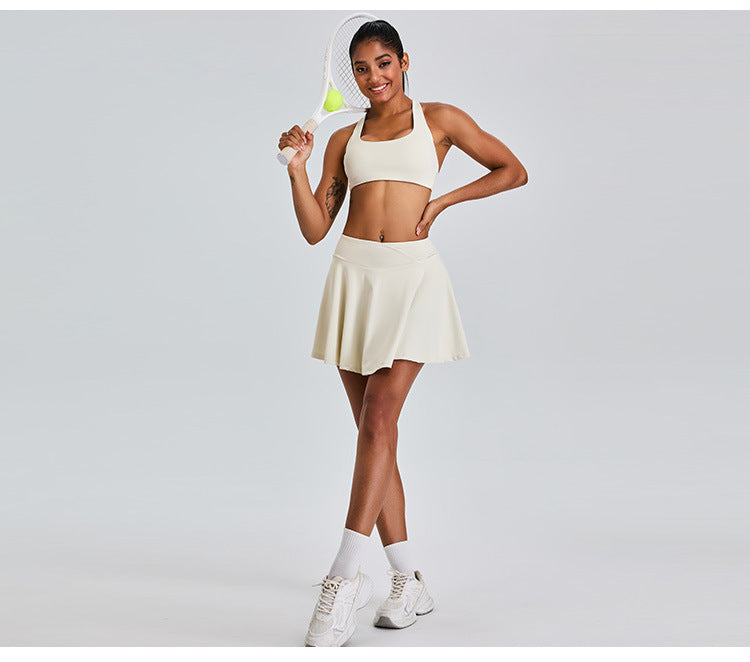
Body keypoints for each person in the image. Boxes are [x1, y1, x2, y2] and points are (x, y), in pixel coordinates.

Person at [278, 19, 527, 647]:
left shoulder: (440, 120)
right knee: (374, 432)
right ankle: (408, 577)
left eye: (383, 64)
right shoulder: (343, 137)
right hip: (353, 276)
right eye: (362, 69)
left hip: (412, 279)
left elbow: (512, 170)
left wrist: (441, 203)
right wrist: (297, 170)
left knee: (378, 420)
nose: (374, 78)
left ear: (404, 61)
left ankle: (342, 579)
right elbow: (315, 229)